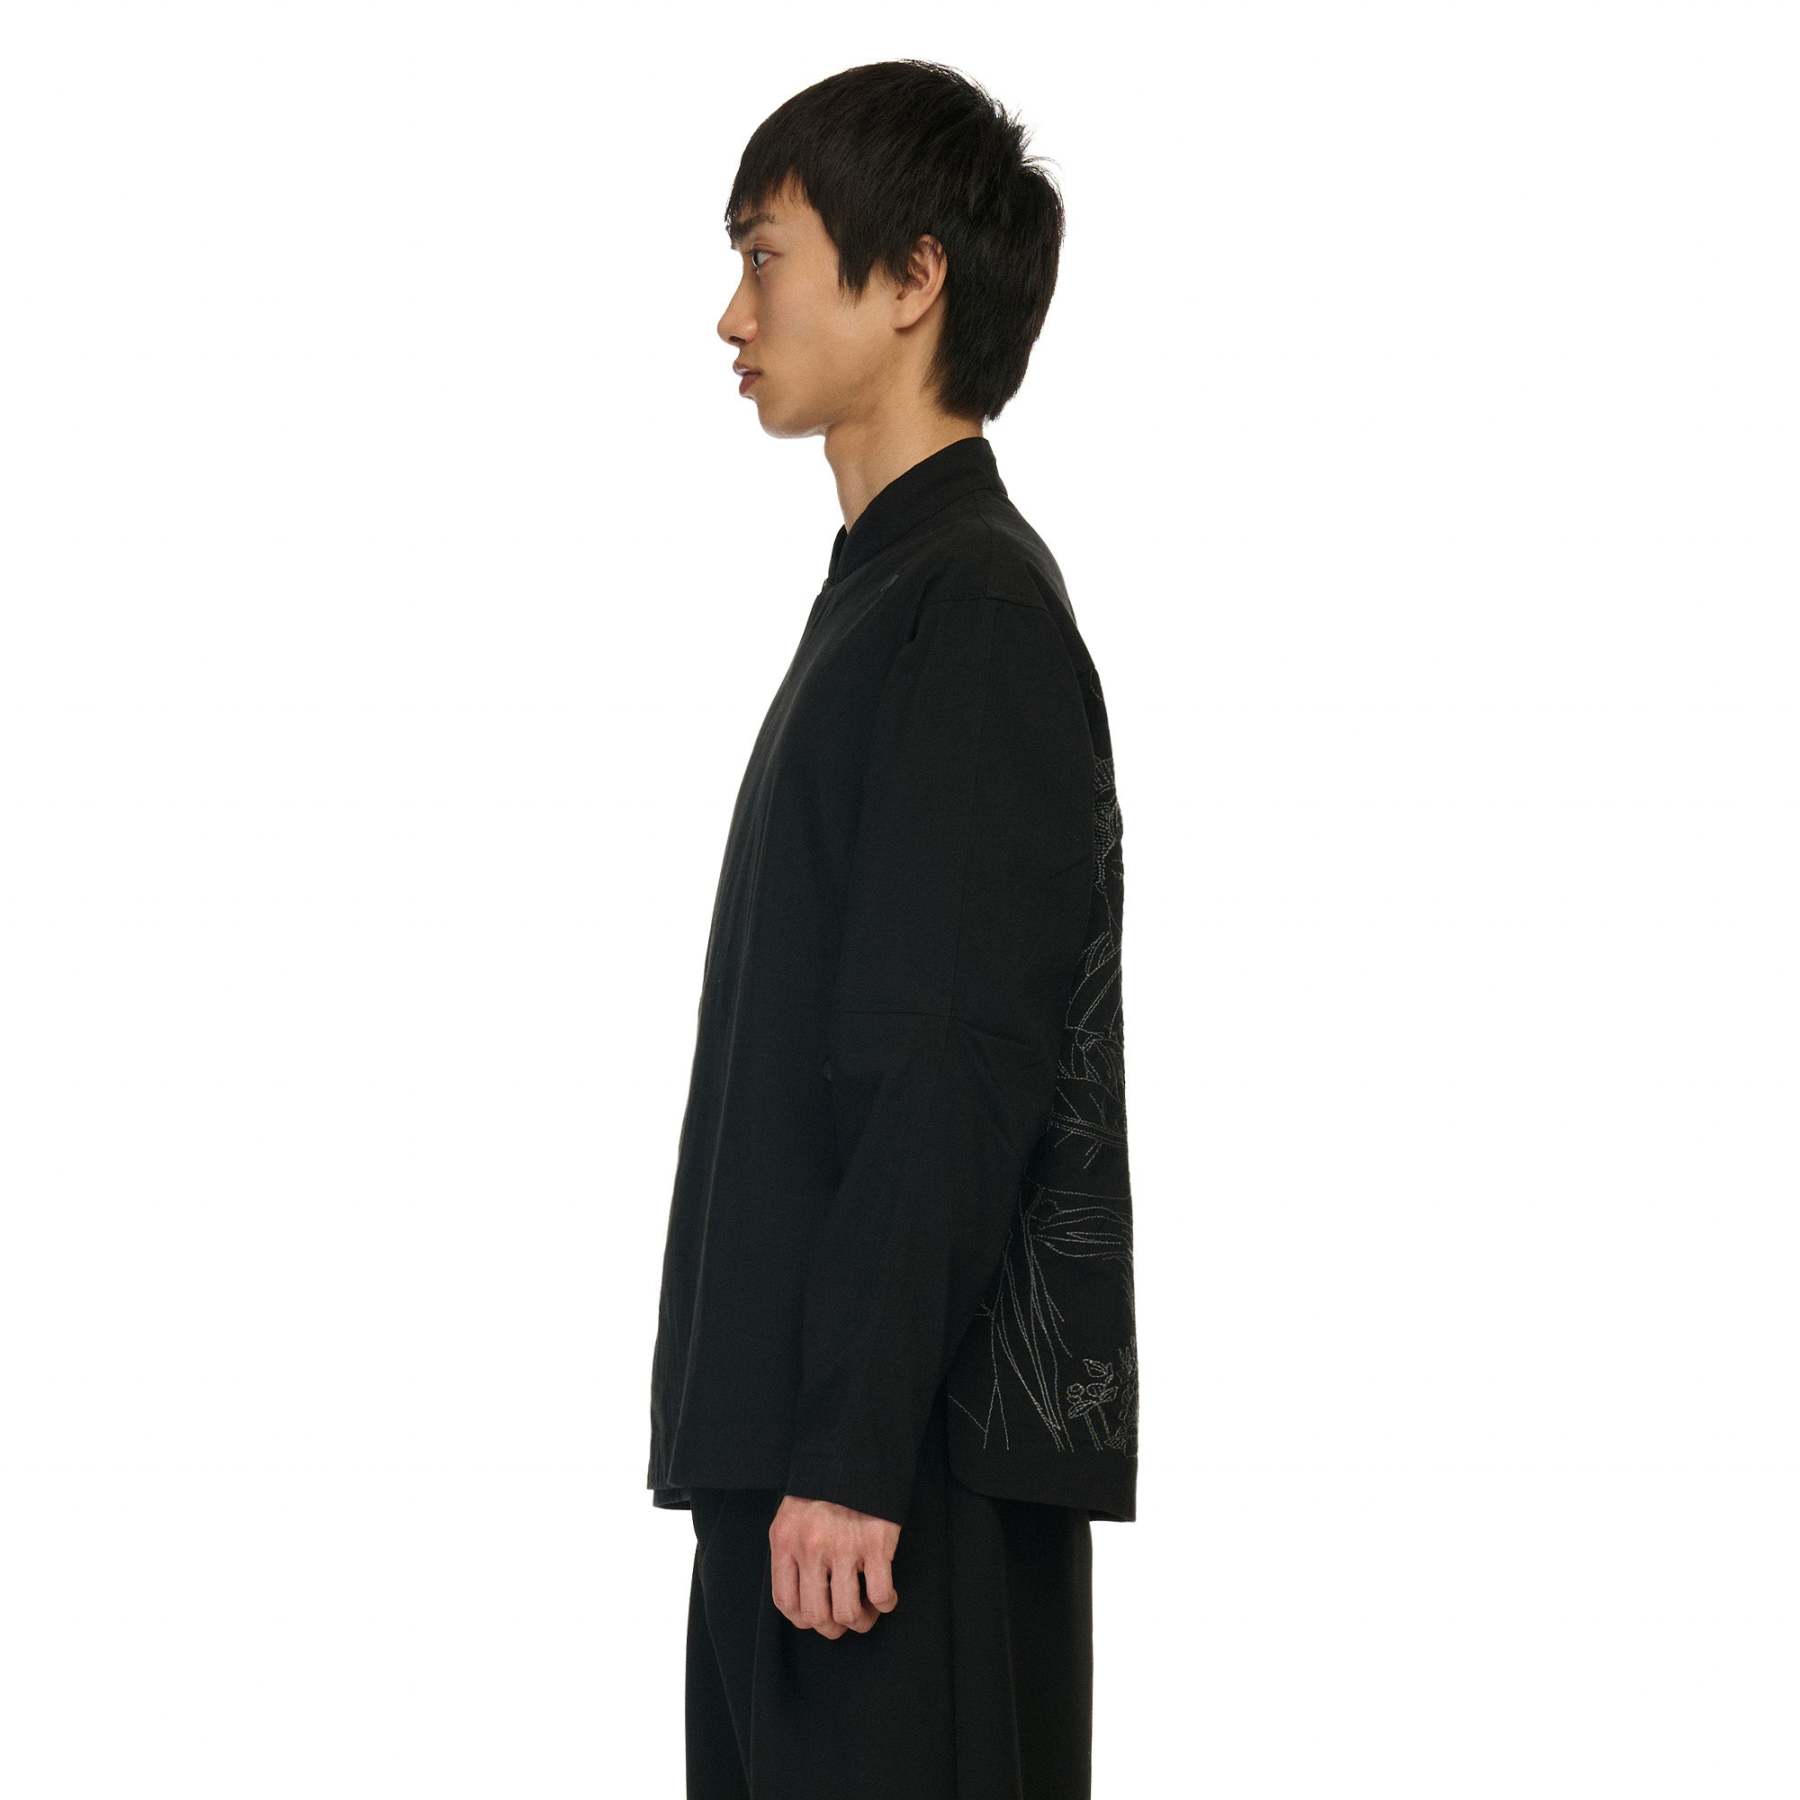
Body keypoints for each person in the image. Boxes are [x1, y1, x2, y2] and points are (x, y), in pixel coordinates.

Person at [646, 58, 1139, 1798]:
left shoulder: (973, 612)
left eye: (764, 255)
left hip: (886, 1501)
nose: (734, 313)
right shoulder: (888, 597)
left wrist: (851, 1452)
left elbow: (954, 1061)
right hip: (809, 1481)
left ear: (914, 276)